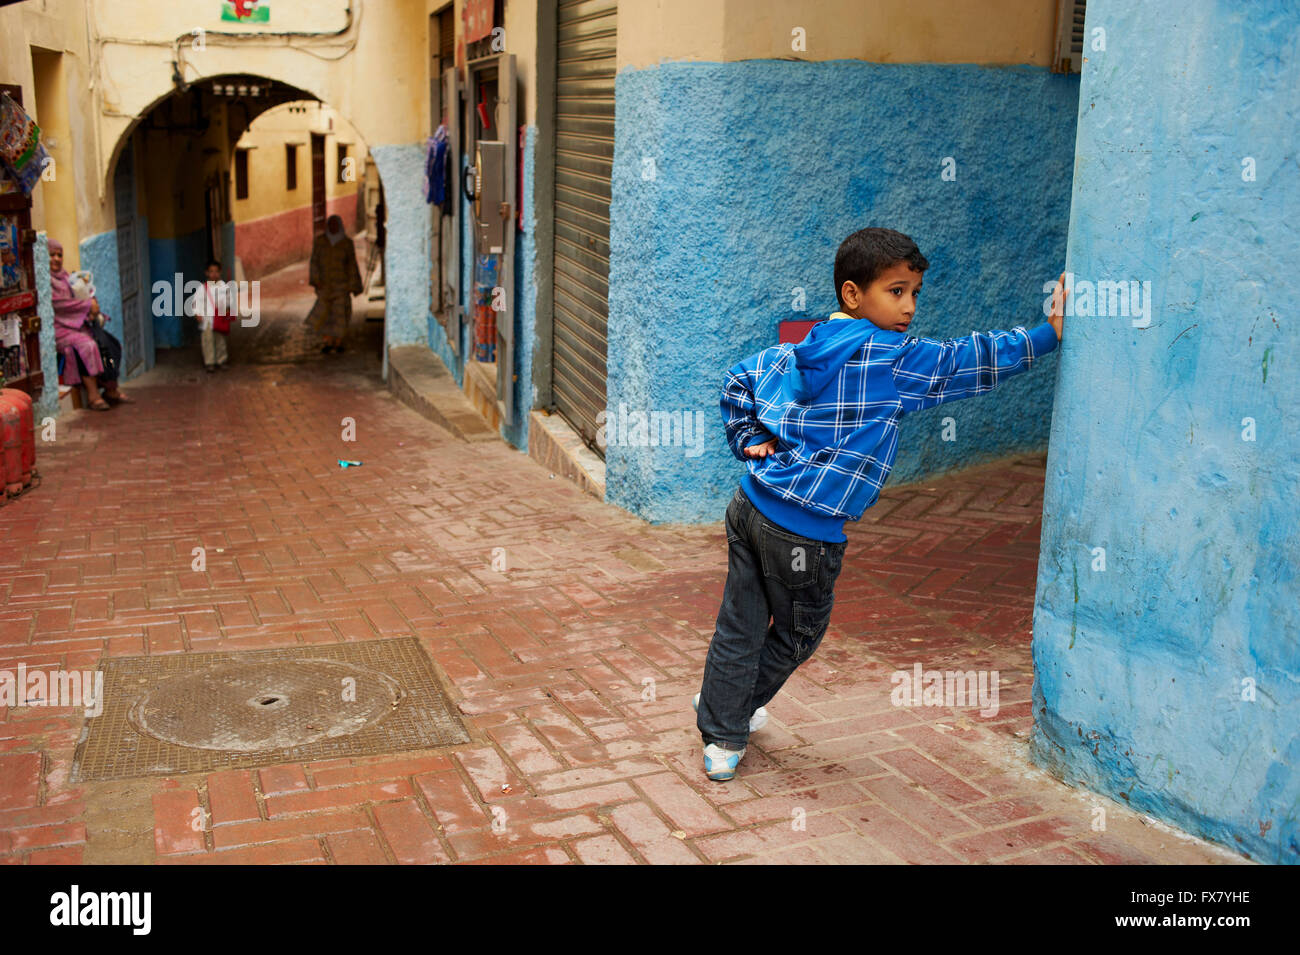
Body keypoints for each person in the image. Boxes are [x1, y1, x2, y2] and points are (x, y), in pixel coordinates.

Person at [694, 227, 1068, 781]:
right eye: (896, 292)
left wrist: (749, 439)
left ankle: (720, 721)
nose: (910, 307)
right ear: (853, 294)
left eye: (915, 293)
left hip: (748, 506)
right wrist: (1046, 334)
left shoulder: (805, 342)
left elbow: (738, 380)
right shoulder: (889, 358)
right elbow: (965, 361)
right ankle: (725, 724)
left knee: (740, 622)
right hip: (803, 533)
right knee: (797, 634)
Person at [49, 238, 131, 411]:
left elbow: (78, 297)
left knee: (110, 343)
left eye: (59, 255)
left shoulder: (66, 277)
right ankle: (93, 395)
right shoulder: (47, 282)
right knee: (86, 346)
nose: (56, 259)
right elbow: (59, 305)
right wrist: (87, 306)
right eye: (51, 255)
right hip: (61, 329)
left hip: (78, 324)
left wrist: (92, 303)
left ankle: (110, 388)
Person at [306, 214, 363, 354]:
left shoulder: (346, 244)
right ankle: (327, 342)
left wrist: (353, 285)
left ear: (339, 226)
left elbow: (351, 265)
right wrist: (316, 280)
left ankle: (338, 343)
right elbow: (314, 262)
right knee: (325, 316)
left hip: (341, 287)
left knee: (340, 316)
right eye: (330, 225)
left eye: (335, 225)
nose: (332, 227)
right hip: (325, 287)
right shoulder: (320, 242)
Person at [186, 258, 232, 372]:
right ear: (206, 273)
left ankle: (221, 360)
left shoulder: (224, 287)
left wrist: (227, 310)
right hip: (207, 320)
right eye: (211, 271)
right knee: (207, 341)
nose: (214, 274)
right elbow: (196, 301)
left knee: (220, 341)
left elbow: (228, 300)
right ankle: (210, 362)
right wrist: (197, 313)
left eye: (216, 271)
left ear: (220, 272)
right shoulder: (202, 288)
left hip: (220, 319)